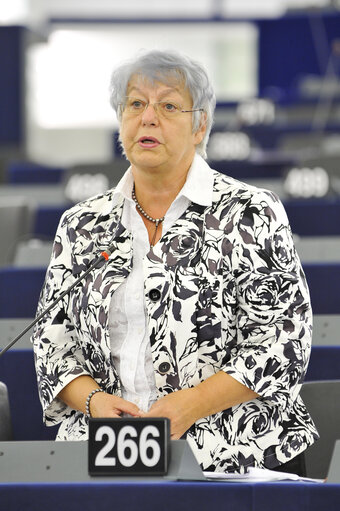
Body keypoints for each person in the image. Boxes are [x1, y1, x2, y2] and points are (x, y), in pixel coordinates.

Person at [32, 49, 318, 474]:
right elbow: (51, 340)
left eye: (168, 105)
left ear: (200, 124)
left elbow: (283, 339)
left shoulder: (251, 212)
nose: (148, 118)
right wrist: (92, 400)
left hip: (232, 452)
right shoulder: (82, 224)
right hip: (102, 454)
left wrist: (189, 406)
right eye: (135, 104)